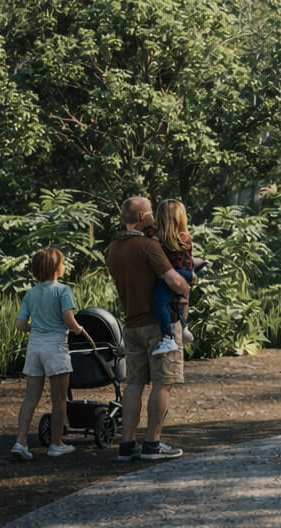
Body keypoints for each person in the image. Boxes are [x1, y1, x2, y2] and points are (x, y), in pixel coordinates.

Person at [106, 195, 190, 460]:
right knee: (162, 385)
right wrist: (188, 285)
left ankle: (127, 445)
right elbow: (174, 281)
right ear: (143, 217)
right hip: (159, 324)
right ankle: (152, 444)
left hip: (131, 324)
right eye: (151, 212)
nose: (154, 216)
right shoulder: (147, 247)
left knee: (134, 384)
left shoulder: (112, 249)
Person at [10, 247, 88, 460]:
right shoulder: (63, 291)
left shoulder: (30, 293)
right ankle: (56, 443)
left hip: (34, 346)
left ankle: (20, 442)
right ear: (55, 267)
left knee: (30, 399)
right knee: (59, 399)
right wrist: (79, 330)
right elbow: (69, 321)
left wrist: (36, 329)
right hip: (55, 346)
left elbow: (19, 325)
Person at [148, 199, 196, 356]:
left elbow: (153, 236)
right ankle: (185, 327)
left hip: (176, 274)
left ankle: (168, 338)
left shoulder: (164, 239)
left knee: (159, 302)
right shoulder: (185, 237)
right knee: (179, 298)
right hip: (186, 273)